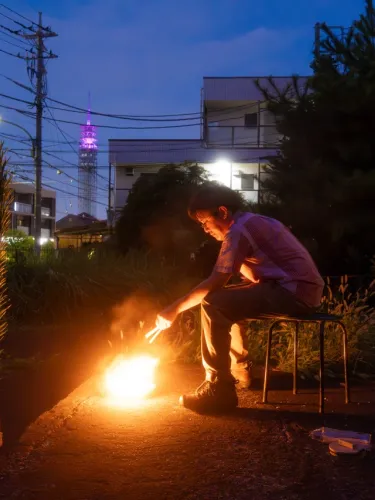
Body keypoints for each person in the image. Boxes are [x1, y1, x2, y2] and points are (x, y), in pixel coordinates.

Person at [153, 183, 324, 413]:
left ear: (222, 212)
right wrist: (234, 256)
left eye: (204, 222)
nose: (204, 229)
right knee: (229, 301)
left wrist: (173, 309)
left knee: (214, 303)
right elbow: (254, 276)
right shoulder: (254, 222)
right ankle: (240, 373)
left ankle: (218, 389)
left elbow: (215, 282)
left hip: (293, 293)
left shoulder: (239, 230)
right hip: (300, 290)